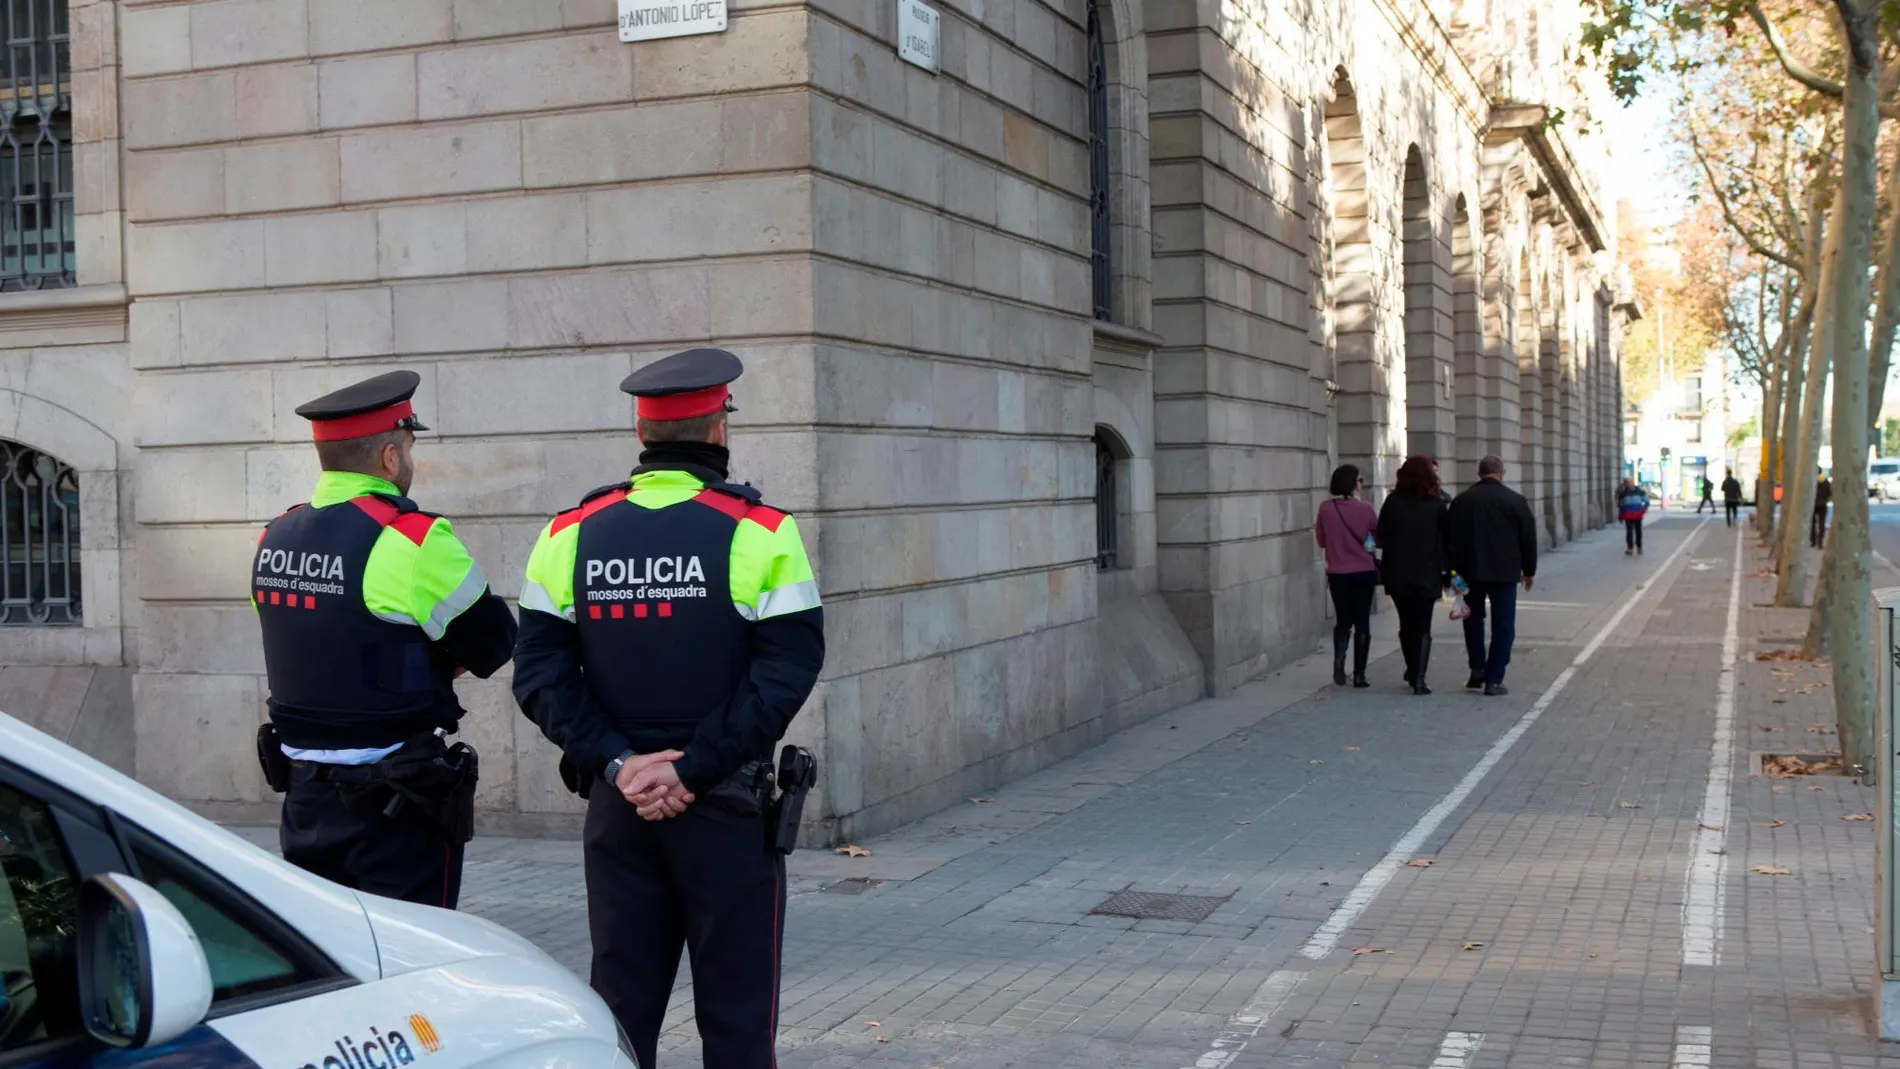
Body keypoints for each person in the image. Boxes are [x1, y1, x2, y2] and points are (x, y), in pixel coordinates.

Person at [512, 347, 826, 1069]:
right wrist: (694, 768)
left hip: (620, 809)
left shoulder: (569, 532)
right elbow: (788, 669)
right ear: (719, 428)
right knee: (738, 1023)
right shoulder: (762, 530)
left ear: (640, 432)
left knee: (619, 1018)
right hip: (724, 812)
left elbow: (539, 675)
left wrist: (621, 764)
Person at [251, 370, 517, 908]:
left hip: (304, 799)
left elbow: (315, 636)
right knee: (413, 964)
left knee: (332, 961)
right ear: (390, 458)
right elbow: (493, 641)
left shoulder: (273, 535)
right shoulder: (411, 539)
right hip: (395, 804)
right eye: (411, 447)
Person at [1447, 456, 1537, 697]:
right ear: (1502, 473)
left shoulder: (1461, 501)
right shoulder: (1515, 501)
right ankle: (1494, 679)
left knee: (1472, 620)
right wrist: (1529, 571)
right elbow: (1528, 538)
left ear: (1479, 473)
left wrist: (1453, 576)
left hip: (1470, 572)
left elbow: (1450, 542)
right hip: (1504, 573)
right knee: (1504, 625)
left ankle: (1477, 669)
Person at [1378, 455, 1448, 695]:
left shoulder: (1392, 502)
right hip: (1427, 572)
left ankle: (1412, 667)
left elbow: (1381, 535)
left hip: (1397, 571)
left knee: (1406, 623)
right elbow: (1445, 539)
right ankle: (1419, 677)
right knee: (1423, 625)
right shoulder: (1437, 504)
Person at [1316, 464, 1379, 688]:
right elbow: (1375, 540)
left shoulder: (1325, 508)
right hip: (1363, 571)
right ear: (1353, 483)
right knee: (1362, 621)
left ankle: (1339, 660)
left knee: (1343, 620)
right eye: (1360, 479)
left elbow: (1321, 541)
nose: (1362, 483)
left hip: (1337, 573)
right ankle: (1360, 674)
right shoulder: (1366, 509)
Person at [1618, 477, 1650, 555]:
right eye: (1627, 482)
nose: (1628, 484)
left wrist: (1643, 510)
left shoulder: (1640, 492)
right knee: (1629, 532)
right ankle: (1630, 548)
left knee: (1638, 532)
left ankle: (1639, 547)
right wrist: (1621, 515)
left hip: (1637, 515)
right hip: (1628, 515)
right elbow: (1621, 505)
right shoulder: (1623, 493)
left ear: (1633, 482)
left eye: (1630, 482)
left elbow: (1647, 502)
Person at [1812, 469, 1833, 547]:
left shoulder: (1812, 480)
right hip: (1823, 504)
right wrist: (1826, 499)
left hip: (1813, 504)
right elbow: (1829, 493)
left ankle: (1813, 541)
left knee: (1812, 523)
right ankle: (1820, 541)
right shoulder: (1825, 481)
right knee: (1822, 522)